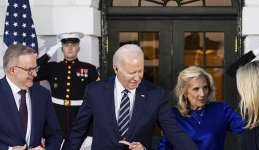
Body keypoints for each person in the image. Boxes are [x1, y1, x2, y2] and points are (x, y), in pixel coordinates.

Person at [62, 44, 198, 150]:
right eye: (131, 72)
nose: (137, 77)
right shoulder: (95, 91)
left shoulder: (155, 94)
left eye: (141, 71)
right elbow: (77, 131)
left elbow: (174, 132)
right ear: (116, 69)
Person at [156, 66, 244, 150]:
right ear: (185, 92)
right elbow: (165, 146)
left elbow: (247, 128)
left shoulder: (221, 110)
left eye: (205, 88)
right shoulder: (173, 116)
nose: (202, 94)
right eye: (196, 89)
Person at [34, 32, 99, 145]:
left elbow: (98, 101)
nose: (70, 48)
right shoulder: (52, 67)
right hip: (55, 119)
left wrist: (91, 133)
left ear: (78, 48)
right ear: (61, 48)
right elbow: (30, 72)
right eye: (66, 45)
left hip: (80, 119)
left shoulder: (89, 69)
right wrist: (48, 55)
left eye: (73, 45)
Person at [0, 44, 63, 150]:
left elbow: (55, 134)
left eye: (35, 68)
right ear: (12, 70)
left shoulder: (42, 94)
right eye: (29, 69)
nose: (35, 74)